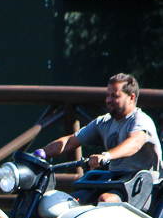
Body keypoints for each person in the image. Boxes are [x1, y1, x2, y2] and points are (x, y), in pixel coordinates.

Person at [38, 73, 162, 203]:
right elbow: (70, 141)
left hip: (145, 189)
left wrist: (106, 156)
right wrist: (40, 154)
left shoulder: (141, 120)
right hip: (115, 182)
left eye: (115, 96)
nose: (108, 100)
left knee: (106, 200)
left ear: (131, 98)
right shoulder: (103, 122)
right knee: (70, 201)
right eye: (108, 95)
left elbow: (135, 143)